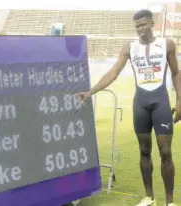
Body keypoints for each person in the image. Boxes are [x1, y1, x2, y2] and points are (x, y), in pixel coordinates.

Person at [75, 9, 181, 206]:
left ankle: (170, 202)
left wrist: (180, 101)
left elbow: (176, 73)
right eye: (137, 26)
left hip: (161, 103)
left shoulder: (166, 45)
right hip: (141, 103)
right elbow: (114, 72)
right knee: (144, 150)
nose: (140, 28)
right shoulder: (129, 48)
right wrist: (90, 92)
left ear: (152, 23)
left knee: (165, 152)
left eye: (144, 24)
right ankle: (149, 197)